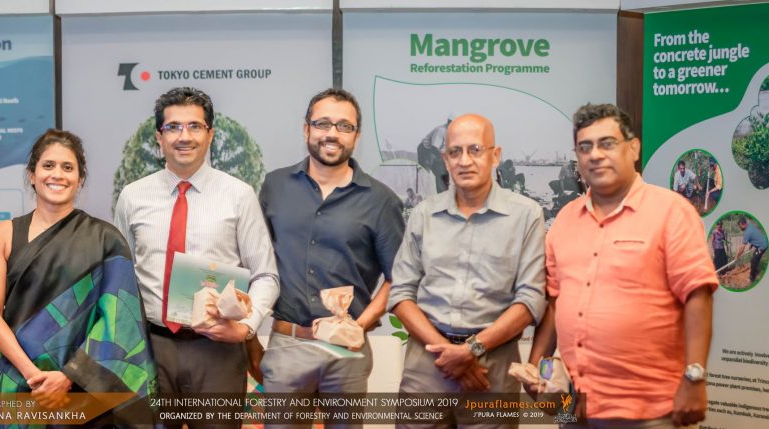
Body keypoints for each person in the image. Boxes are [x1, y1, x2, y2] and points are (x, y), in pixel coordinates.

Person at [529, 103, 718, 428]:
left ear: (633, 148)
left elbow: (697, 296)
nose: (595, 155)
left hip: (650, 411)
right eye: (584, 147)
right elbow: (555, 302)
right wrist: (536, 369)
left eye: (607, 143)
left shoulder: (671, 211)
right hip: (575, 407)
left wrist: (695, 377)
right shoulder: (565, 219)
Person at [114, 87, 279, 428]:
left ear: (210, 134)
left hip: (217, 351)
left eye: (195, 126)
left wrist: (246, 327)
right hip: (151, 349)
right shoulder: (132, 197)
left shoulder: (238, 195)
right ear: (159, 137)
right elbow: (121, 277)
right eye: (173, 127)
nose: (184, 137)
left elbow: (266, 275)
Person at [0, 130, 155, 421]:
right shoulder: (5, 234)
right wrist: (33, 376)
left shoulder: (106, 240)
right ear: (32, 174)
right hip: (18, 380)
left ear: (80, 178)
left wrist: (69, 375)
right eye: (48, 165)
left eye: (68, 167)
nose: (57, 175)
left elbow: (119, 322)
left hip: (84, 390)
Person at [258, 88, 405, 428]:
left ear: (356, 135)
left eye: (344, 126)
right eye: (322, 123)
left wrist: (360, 325)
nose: (332, 133)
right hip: (288, 343)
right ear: (306, 129)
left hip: (347, 351)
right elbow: (254, 260)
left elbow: (399, 278)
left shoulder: (381, 201)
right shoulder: (275, 186)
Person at [389, 114, 547, 429]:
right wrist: (449, 353)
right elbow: (401, 294)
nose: (464, 161)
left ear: (495, 155)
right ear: (445, 159)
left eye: (475, 150)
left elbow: (531, 300)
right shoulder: (423, 214)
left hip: (491, 370)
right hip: (427, 365)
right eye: (455, 152)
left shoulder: (526, 215)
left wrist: (472, 350)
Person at [735, 216, 769, 283]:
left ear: (743, 224)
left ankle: (751, 278)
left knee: (754, 260)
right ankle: (755, 270)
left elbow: (742, 248)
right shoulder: (750, 226)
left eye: (740, 226)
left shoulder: (747, 232)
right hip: (763, 243)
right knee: (755, 257)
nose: (740, 228)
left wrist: (737, 256)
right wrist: (752, 245)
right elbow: (754, 236)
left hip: (762, 246)